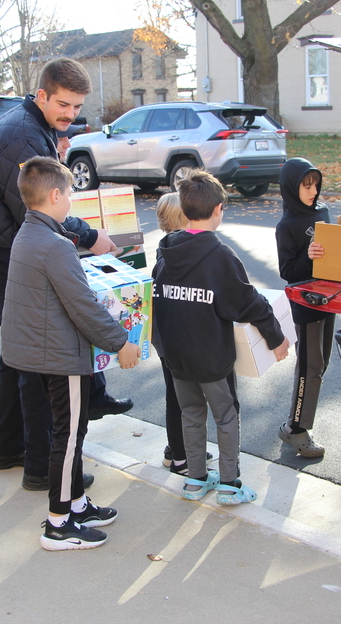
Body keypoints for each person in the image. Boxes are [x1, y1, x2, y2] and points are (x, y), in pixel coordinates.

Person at [0, 58, 130, 489]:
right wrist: (89, 236)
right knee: (37, 357)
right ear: (41, 94)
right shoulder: (24, 135)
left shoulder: (31, 126)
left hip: (6, 244)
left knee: (18, 350)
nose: (70, 115)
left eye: (77, 107)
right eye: (63, 104)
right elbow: (43, 210)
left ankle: (7, 448)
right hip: (9, 250)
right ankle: (41, 466)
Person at [0, 156, 140, 550]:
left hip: (37, 352)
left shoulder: (28, 235)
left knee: (71, 432)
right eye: (71, 194)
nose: (72, 202)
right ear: (55, 194)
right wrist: (122, 343)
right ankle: (59, 523)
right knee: (68, 436)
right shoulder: (57, 245)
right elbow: (83, 306)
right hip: (59, 356)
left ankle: (76, 504)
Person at [152, 170, 290, 505]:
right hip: (212, 357)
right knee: (226, 417)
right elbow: (248, 303)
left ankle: (196, 480)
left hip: (178, 358)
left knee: (191, 414)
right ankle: (230, 483)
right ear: (218, 210)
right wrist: (277, 338)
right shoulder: (220, 256)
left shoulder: (164, 254)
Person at [275, 158, 333, 458]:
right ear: (290, 188)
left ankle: (296, 426)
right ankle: (296, 428)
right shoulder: (286, 226)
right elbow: (288, 271)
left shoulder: (322, 213)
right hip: (305, 304)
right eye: (305, 186)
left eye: (315, 185)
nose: (313, 191)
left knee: (321, 365)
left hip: (329, 298)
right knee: (309, 367)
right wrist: (308, 256)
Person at [154, 191, 213, 476]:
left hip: (165, 335)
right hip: (175, 337)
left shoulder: (164, 247)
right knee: (181, 398)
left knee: (176, 394)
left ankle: (174, 449)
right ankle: (181, 457)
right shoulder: (178, 252)